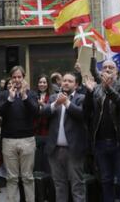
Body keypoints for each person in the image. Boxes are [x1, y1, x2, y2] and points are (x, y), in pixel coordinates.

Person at [83, 60, 120, 202]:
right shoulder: (97, 89)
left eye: (111, 67)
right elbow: (86, 112)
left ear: (116, 72)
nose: (107, 69)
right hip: (100, 142)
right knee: (105, 180)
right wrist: (88, 92)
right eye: (104, 67)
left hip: (119, 142)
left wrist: (109, 88)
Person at [41, 72, 87, 202]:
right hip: (55, 150)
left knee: (77, 186)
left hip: (73, 150)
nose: (66, 83)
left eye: (70, 81)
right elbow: (43, 113)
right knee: (59, 185)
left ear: (76, 85)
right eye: (64, 80)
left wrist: (66, 102)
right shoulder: (54, 98)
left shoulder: (81, 98)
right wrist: (56, 104)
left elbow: (81, 114)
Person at [0, 66, 39, 202]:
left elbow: (35, 113)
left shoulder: (31, 93)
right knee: (11, 178)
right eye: (14, 77)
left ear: (23, 77)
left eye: (19, 77)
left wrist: (24, 96)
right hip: (8, 140)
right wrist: (10, 99)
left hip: (27, 140)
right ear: (11, 78)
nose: (16, 80)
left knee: (27, 177)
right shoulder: (4, 95)